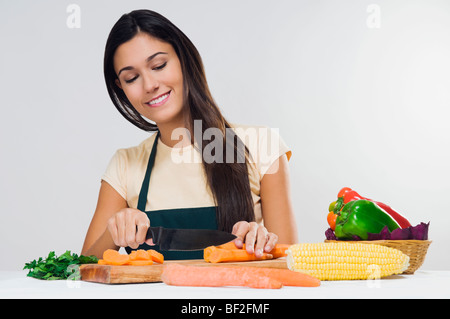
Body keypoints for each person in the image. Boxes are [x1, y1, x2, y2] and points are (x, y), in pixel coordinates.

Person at [81, 9, 297, 260]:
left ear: (183, 59)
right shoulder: (124, 165)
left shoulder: (263, 146)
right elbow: (82, 270)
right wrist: (114, 231)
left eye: (159, 65)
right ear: (121, 88)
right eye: (132, 78)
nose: (149, 85)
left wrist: (261, 243)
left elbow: (289, 266)